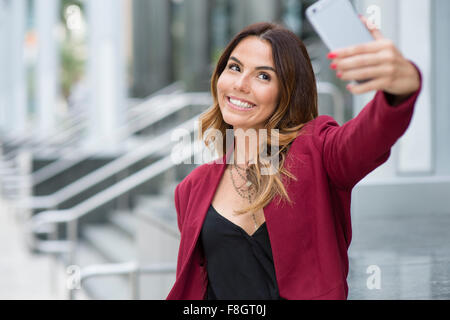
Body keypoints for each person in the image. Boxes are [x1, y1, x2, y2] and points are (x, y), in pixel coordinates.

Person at [166, 19, 422, 300]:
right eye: (235, 67)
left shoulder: (318, 152)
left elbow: (367, 137)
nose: (240, 84)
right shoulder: (191, 188)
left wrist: (400, 89)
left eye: (263, 76)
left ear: (287, 92)